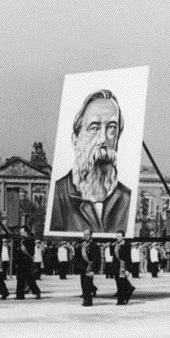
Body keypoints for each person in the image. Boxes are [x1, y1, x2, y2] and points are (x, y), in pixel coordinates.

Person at [50, 90, 132, 233]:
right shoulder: (58, 196)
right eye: (94, 128)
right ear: (75, 141)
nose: (103, 139)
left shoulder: (127, 200)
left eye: (112, 128)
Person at [74, 229, 101, 306]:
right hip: (82, 268)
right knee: (83, 284)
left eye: (87, 235)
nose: (86, 236)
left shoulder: (94, 245)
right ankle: (85, 299)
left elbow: (96, 259)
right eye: (85, 235)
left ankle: (88, 301)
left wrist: (94, 270)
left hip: (90, 267)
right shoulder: (82, 245)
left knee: (88, 285)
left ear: (91, 235)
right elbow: (77, 255)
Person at [14, 227, 41, 300]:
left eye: (22, 232)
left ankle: (37, 292)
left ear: (26, 232)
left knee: (29, 278)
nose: (21, 234)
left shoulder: (30, 240)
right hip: (20, 262)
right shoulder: (19, 241)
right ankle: (19, 295)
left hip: (27, 261)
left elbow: (31, 252)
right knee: (19, 279)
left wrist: (24, 244)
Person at [111, 230, 134, 305]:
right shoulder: (115, 244)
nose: (118, 238)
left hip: (123, 266)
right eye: (117, 236)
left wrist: (128, 269)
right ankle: (121, 298)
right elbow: (112, 254)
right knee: (118, 282)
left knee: (122, 282)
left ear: (123, 236)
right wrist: (111, 246)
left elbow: (128, 257)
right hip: (116, 265)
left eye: (119, 236)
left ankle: (123, 298)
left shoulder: (126, 244)